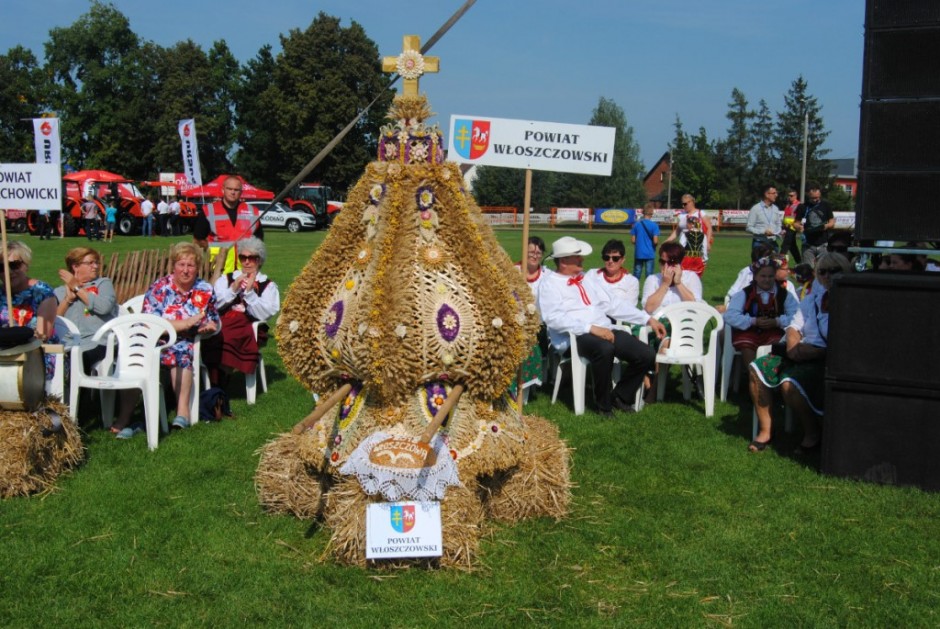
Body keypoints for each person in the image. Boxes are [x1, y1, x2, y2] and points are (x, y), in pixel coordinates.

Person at [538, 236, 665, 416]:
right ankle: (603, 406)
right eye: (577, 256)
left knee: (646, 354)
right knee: (604, 349)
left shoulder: (585, 278)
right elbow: (554, 318)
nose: (582, 259)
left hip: (604, 329)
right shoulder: (550, 283)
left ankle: (620, 396)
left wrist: (646, 319)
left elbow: (612, 304)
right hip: (573, 338)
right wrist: (591, 328)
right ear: (564, 260)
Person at [748, 252, 853, 453]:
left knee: (790, 386)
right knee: (756, 368)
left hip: (827, 357)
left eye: (834, 271)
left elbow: (850, 342)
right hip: (800, 351)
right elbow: (794, 326)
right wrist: (792, 346)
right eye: (823, 271)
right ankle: (766, 430)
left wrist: (816, 353)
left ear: (846, 271)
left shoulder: (851, 301)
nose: (828, 275)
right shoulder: (813, 298)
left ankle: (812, 433)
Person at [140, 242, 220, 430]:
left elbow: (213, 318)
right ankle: (127, 416)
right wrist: (182, 324)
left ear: (197, 268)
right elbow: (148, 321)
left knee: (182, 351)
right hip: (156, 338)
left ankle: (182, 411)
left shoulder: (205, 289)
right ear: (173, 266)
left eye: (190, 265)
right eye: (181, 264)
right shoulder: (160, 287)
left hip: (187, 340)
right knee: (135, 354)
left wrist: (208, 326)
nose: (185, 270)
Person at [203, 237, 280, 392]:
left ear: (259, 260)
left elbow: (265, 314)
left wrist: (250, 293)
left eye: (251, 258)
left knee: (227, 335)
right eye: (243, 257)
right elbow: (213, 304)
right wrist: (233, 289)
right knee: (216, 334)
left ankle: (217, 386)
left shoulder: (268, 285)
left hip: (250, 327)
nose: (246, 262)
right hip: (223, 323)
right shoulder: (226, 279)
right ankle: (215, 386)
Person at [723, 255, 799, 372]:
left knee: (777, 345)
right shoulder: (744, 294)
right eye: (763, 276)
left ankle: (770, 376)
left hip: (774, 332)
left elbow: (796, 317)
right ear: (755, 277)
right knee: (747, 345)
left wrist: (777, 322)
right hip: (749, 332)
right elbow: (730, 315)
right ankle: (754, 376)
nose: (767, 280)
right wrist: (752, 321)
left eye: (770, 276)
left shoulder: (784, 295)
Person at [0, 241, 57, 378]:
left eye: (14, 265)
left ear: (26, 266)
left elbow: (43, 335)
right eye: (2, 267)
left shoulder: (42, 292)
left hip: (36, 354)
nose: (9, 272)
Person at [193, 175, 264, 274]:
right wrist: (211, 249)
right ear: (223, 190)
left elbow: (259, 240)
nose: (233, 192)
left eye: (236, 190)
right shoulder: (209, 211)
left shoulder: (252, 211)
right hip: (217, 270)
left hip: (244, 270)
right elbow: (198, 239)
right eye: (229, 189)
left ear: (241, 192)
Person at [641, 242, 703, 314]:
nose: (666, 266)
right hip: (658, 322)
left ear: (680, 263)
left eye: (671, 262)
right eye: (663, 262)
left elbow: (696, 306)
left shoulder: (691, 277)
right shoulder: (652, 279)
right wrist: (665, 284)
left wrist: (678, 283)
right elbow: (648, 309)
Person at [584, 239, 640, 312]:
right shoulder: (592, 274)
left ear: (622, 260)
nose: (610, 261)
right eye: (606, 258)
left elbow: (629, 309)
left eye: (615, 258)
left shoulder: (631, 281)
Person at [664, 194, 712, 278]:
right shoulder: (682, 215)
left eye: (685, 204)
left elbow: (709, 228)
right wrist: (667, 241)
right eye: (682, 204)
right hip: (683, 250)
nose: (683, 206)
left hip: (696, 251)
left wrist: (707, 243)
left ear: (692, 202)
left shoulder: (700, 213)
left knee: (695, 277)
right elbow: (677, 231)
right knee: (681, 276)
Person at [793, 182, 834, 266]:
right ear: (808, 194)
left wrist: (826, 226)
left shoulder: (826, 205)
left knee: (823, 270)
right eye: (813, 198)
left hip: (823, 244)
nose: (815, 200)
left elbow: (832, 222)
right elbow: (795, 223)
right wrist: (799, 227)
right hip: (808, 245)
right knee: (808, 270)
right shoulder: (802, 207)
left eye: (817, 198)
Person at [745, 185, 781, 251]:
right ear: (767, 194)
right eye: (774, 193)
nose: (776, 195)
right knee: (759, 262)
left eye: (776, 193)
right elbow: (748, 228)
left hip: (773, 244)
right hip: (759, 244)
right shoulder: (755, 209)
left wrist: (778, 231)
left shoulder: (776, 209)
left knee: (775, 261)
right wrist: (763, 232)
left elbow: (778, 224)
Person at [630, 204, 660, 282]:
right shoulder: (654, 225)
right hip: (650, 253)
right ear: (652, 213)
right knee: (649, 275)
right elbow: (655, 241)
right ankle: (648, 292)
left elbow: (633, 240)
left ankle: (633, 292)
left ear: (643, 212)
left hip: (639, 252)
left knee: (636, 274)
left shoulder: (636, 224)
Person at [780, 187, 802, 264]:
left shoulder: (799, 205)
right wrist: (783, 226)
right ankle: (799, 263)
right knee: (792, 247)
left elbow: (799, 218)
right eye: (789, 196)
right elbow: (785, 216)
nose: (789, 197)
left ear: (796, 196)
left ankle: (781, 262)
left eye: (791, 196)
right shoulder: (788, 205)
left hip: (793, 228)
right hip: (787, 227)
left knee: (785, 246)